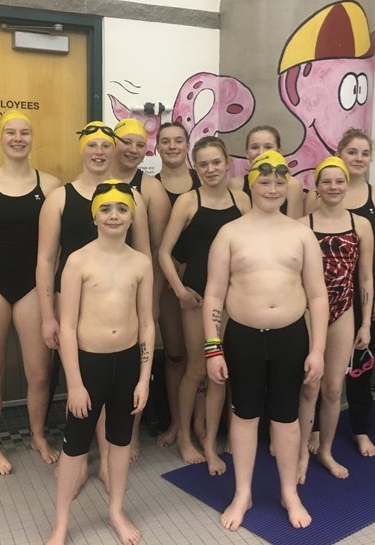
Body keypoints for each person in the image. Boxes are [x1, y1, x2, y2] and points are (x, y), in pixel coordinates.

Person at [202, 150, 327, 531]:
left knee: (287, 420)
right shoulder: (230, 233)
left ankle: (289, 491)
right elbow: (213, 295)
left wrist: (318, 350)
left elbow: (318, 295)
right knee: (243, 418)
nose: (272, 189)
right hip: (243, 338)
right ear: (250, 184)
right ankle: (244, 492)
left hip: (291, 337)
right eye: (264, 182)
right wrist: (213, 347)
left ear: (287, 186)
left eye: (278, 183)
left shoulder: (301, 234)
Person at [36, 120, 150, 489]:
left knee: (112, 382)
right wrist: (47, 315)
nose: (99, 152)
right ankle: (79, 458)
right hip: (71, 302)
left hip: (118, 304)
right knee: (81, 383)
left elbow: (144, 255)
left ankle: (106, 461)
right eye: (92, 145)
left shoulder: (132, 198)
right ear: (82, 150)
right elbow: (45, 260)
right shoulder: (59, 197)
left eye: (106, 145)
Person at [47, 180, 154, 545]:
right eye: (105, 209)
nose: (114, 216)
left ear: (131, 215)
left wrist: (143, 378)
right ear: (95, 216)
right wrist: (74, 384)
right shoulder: (78, 261)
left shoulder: (140, 263)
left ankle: (116, 510)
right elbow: (68, 326)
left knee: (120, 442)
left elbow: (147, 324)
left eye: (121, 209)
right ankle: (61, 523)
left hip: (125, 364)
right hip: (88, 367)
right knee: (74, 447)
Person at [0, 110, 62, 475]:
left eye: (24, 132)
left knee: (39, 373)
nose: (17, 138)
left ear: (32, 138)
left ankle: (37, 434)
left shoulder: (50, 185)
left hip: (34, 283)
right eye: (11, 132)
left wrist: (54, 294)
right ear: (0, 137)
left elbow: (56, 248)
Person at [158, 136, 249, 473]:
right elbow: (164, 252)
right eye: (204, 164)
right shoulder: (187, 201)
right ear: (196, 167)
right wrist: (180, 290)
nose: (211, 169)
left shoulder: (241, 200)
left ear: (227, 164)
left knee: (220, 373)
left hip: (233, 295)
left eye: (217, 162)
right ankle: (184, 435)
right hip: (197, 296)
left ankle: (210, 442)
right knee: (197, 368)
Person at [306, 129, 375, 457]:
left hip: (352, 301)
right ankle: (306, 438)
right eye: (351, 151)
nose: (358, 158)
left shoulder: (373, 206)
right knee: (310, 378)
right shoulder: (308, 211)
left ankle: (351, 432)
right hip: (311, 305)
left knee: (346, 377)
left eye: (364, 153)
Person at [298, 156, 373, 480]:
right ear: (316, 186)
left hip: (344, 311)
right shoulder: (302, 226)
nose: (333, 187)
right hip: (306, 312)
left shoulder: (361, 225)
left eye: (338, 181)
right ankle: (300, 452)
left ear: (347, 185)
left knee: (332, 388)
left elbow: (366, 278)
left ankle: (326, 451)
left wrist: (366, 323)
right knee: (308, 388)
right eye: (326, 181)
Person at [112, 117, 171, 460]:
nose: (134, 150)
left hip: (137, 290)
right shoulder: (96, 181)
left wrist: (152, 301)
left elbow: (159, 252)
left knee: (134, 364)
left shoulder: (151, 189)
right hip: (100, 288)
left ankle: (130, 433)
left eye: (140, 145)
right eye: (127, 142)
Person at [151, 121, 201, 448]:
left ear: (187, 145)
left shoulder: (205, 180)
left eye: (178, 140)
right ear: (156, 148)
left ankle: (200, 425)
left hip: (201, 281)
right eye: (165, 141)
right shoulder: (151, 186)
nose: (172, 146)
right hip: (169, 282)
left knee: (205, 358)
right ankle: (174, 423)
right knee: (175, 356)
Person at [228, 125, 303, 218]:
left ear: (279, 152)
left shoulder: (293, 185)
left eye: (268, 147)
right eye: (254, 147)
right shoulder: (236, 184)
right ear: (247, 153)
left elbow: (295, 225)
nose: (261, 152)